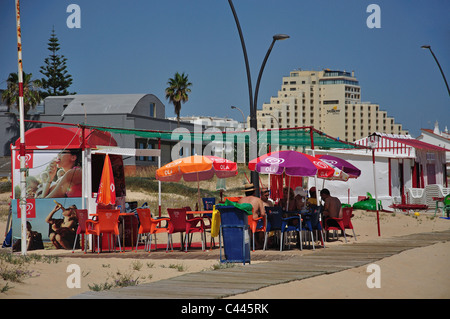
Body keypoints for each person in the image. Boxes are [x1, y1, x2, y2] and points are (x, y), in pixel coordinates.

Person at [238, 183, 266, 249]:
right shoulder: (257, 200)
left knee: (249, 227)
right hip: (254, 222)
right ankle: (259, 243)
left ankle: (254, 242)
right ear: (254, 192)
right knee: (263, 222)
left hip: (243, 222)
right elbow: (263, 213)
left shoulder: (240, 201)